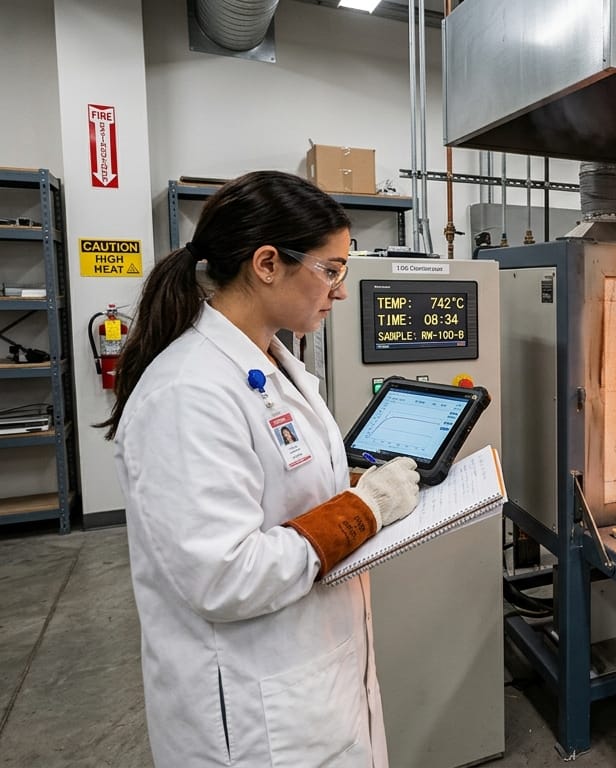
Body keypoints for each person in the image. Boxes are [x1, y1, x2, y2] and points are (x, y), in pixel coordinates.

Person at [98, 171, 421, 767]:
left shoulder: (271, 364)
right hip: (254, 713)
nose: (340, 291)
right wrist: (366, 508)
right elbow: (224, 575)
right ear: (267, 263)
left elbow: (282, 489)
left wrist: (356, 489)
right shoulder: (187, 391)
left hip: (311, 673)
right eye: (330, 270)